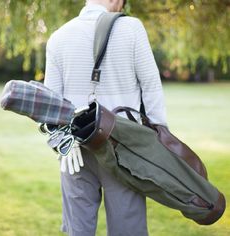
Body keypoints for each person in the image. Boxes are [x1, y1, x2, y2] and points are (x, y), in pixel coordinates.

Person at [44, 0, 167, 235]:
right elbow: (151, 86)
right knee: (127, 229)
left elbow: (51, 104)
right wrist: (160, 136)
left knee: (78, 230)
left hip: (75, 151)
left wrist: (61, 145)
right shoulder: (131, 28)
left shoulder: (58, 37)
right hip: (124, 149)